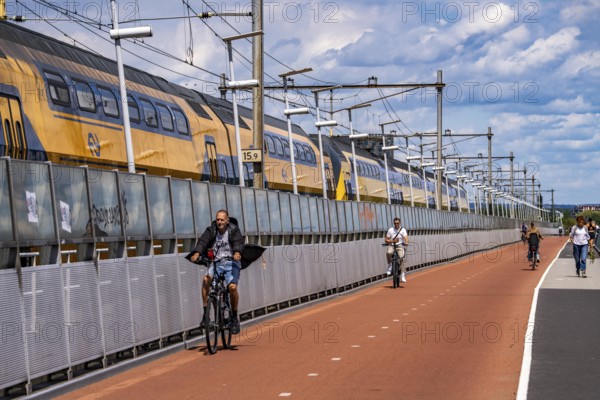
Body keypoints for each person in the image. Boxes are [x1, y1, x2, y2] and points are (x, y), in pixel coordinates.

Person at [188, 210, 244, 334]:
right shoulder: (211, 230)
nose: (219, 222)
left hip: (231, 263)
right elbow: (203, 241)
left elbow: (238, 242)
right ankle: (205, 315)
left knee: (232, 288)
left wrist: (237, 252)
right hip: (216, 263)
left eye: (222, 220)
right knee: (206, 280)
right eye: (217, 219)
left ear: (227, 221)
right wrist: (196, 253)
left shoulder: (234, 230)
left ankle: (234, 318)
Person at [385, 217, 409, 283]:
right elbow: (386, 239)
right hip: (392, 245)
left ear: (399, 223)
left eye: (397, 223)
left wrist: (406, 243)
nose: (396, 224)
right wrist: (392, 241)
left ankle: (403, 275)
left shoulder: (403, 230)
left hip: (400, 245)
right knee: (389, 253)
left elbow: (406, 238)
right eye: (395, 223)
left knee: (402, 258)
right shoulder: (390, 230)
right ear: (393, 223)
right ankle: (390, 265)